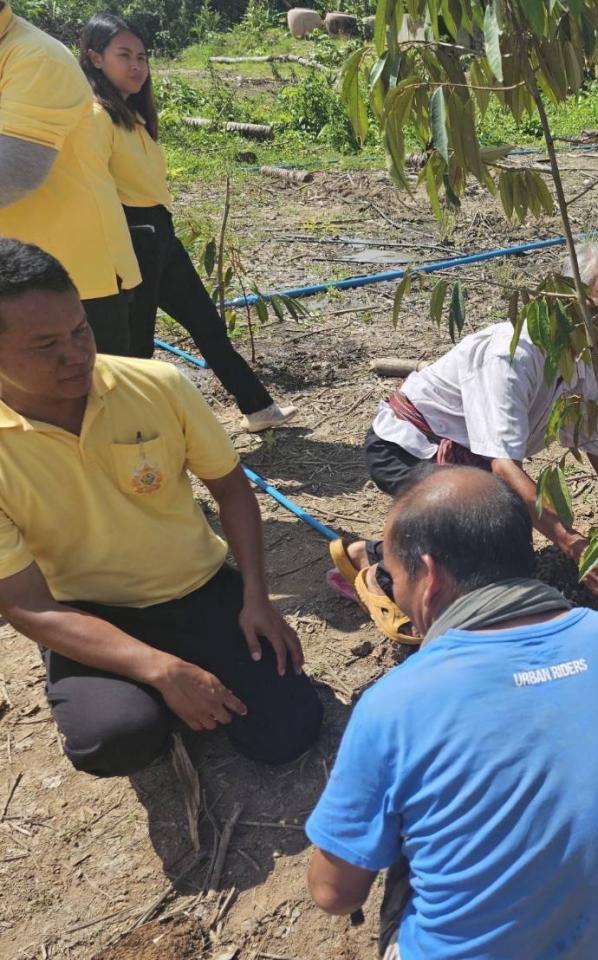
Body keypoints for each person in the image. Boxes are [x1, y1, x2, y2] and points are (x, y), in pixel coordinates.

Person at [306, 466, 598, 959]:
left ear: (429, 577)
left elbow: (334, 895)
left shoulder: (396, 704)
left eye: (391, 577)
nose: (391, 592)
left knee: (403, 841)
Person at [0, 239, 321, 776]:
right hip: (88, 612)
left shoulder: (157, 385)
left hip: (196, 588)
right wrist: (158, 668)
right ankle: (132, 686)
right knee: (116, 740)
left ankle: (181, 685)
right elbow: (25, 604)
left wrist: (255, 596)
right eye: (45, 345)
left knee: (289, 732)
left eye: (80, 330)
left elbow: (232, 489)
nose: (75, 355)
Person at [328, 241, 598, 641]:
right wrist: (572, 543)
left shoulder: (580, 362)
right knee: (489, 535)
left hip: (468, 461)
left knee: (506, 532)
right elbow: (503, 465)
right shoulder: (513, 353)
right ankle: (384, 579)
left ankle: (369, 552)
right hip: (407, 447)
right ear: (564, 298)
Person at [78, 14, 296, 433]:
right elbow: (94, 187)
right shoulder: (97, 116)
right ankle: (136, 433)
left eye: (141, 56)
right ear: (95, 59)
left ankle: (257, 408)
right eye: (123, 55)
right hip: (131, 236)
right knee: (137, 343)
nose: (137, 65)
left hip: (159, 232)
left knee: (206, 323)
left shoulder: (133, 116)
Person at [0, 1, 139, 354]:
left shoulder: (35, 57)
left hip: (74, 280)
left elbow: (15, 170)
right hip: (18, 273)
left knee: (90, 403)